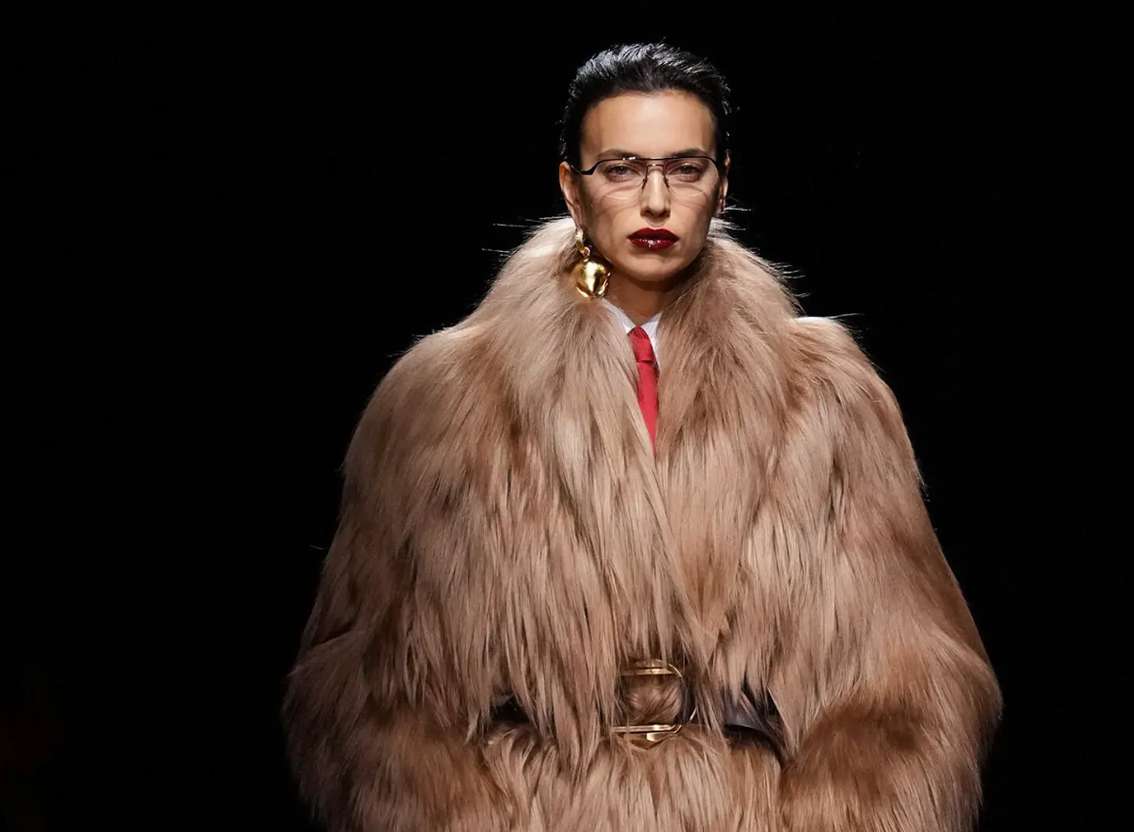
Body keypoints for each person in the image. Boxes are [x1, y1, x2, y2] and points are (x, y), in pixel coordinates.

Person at [282, 41, 1002, 831]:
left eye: (685, 169)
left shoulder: (826, 396)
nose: (655, 200)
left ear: (722, 185)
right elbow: (363, 692)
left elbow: (915, 682)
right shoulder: (442, 399)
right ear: (572, 187)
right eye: (621, 169)